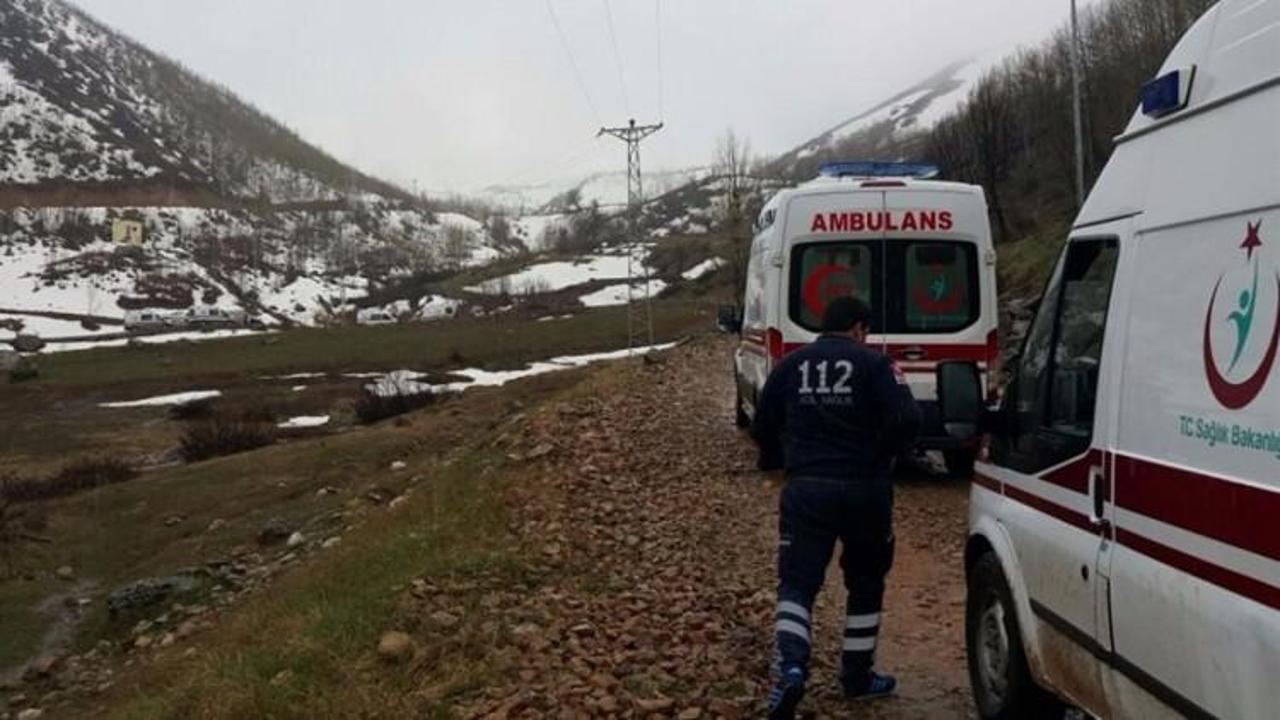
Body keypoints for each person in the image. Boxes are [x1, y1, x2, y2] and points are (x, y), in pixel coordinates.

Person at [751, 296, 922, 720]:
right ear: (860, 328)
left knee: (797, 583)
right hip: (866, 490)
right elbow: (907, 419)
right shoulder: (877, 365)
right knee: (866, 581)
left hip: (807, 487)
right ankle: (857, 677)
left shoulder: (790, 366)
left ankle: (791, 668)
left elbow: (762, 423)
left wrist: (776, 461)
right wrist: (883, 456)